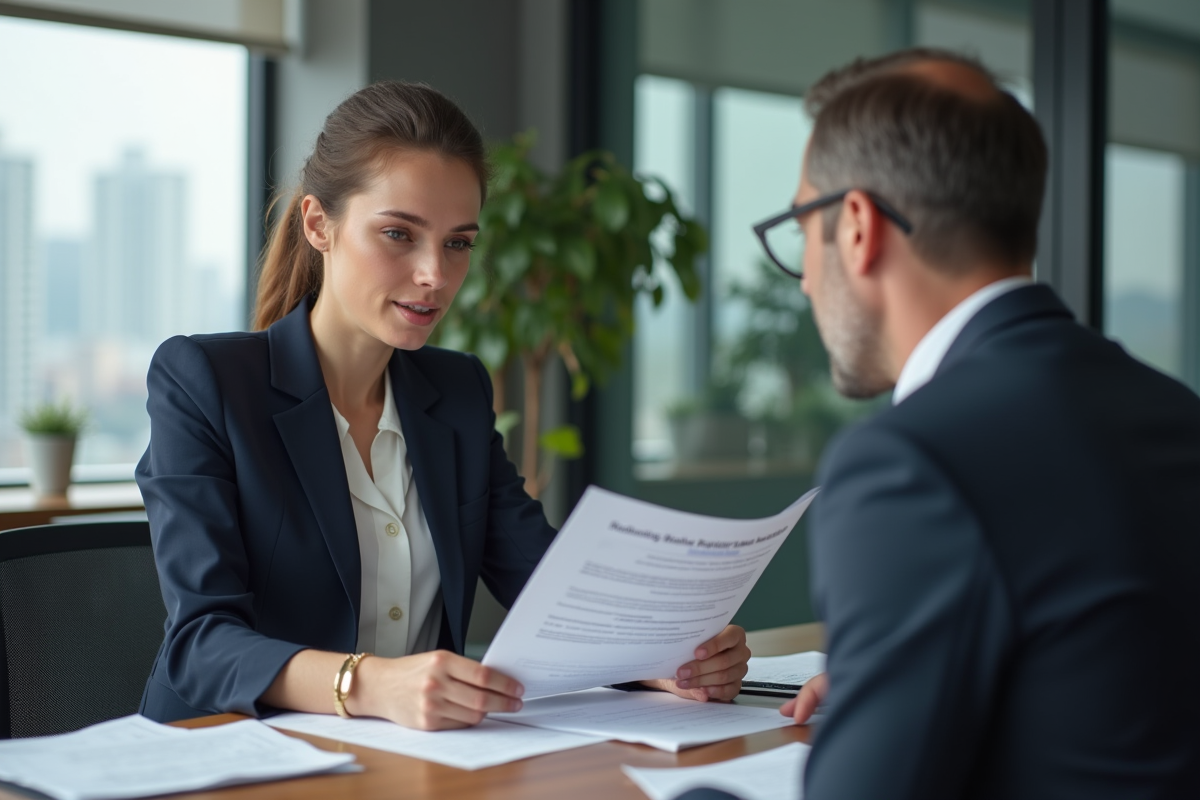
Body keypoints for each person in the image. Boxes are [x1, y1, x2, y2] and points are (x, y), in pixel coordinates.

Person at [136, 81, 750, 730]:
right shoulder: (204, 380)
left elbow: (548, 587)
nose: (435, 273)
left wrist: (663, 657)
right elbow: (199, 646)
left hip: (414, 765)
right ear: (320, 224)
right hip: (226, 756)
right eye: (399, 233)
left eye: (458, 242)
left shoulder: (454, 393)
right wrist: (369, 683)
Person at [682, 48, 1200, 799]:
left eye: (803, 227)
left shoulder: (909, 463)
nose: (805, 282)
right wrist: (889, 695)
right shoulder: (1173, 410)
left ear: (856, 226)